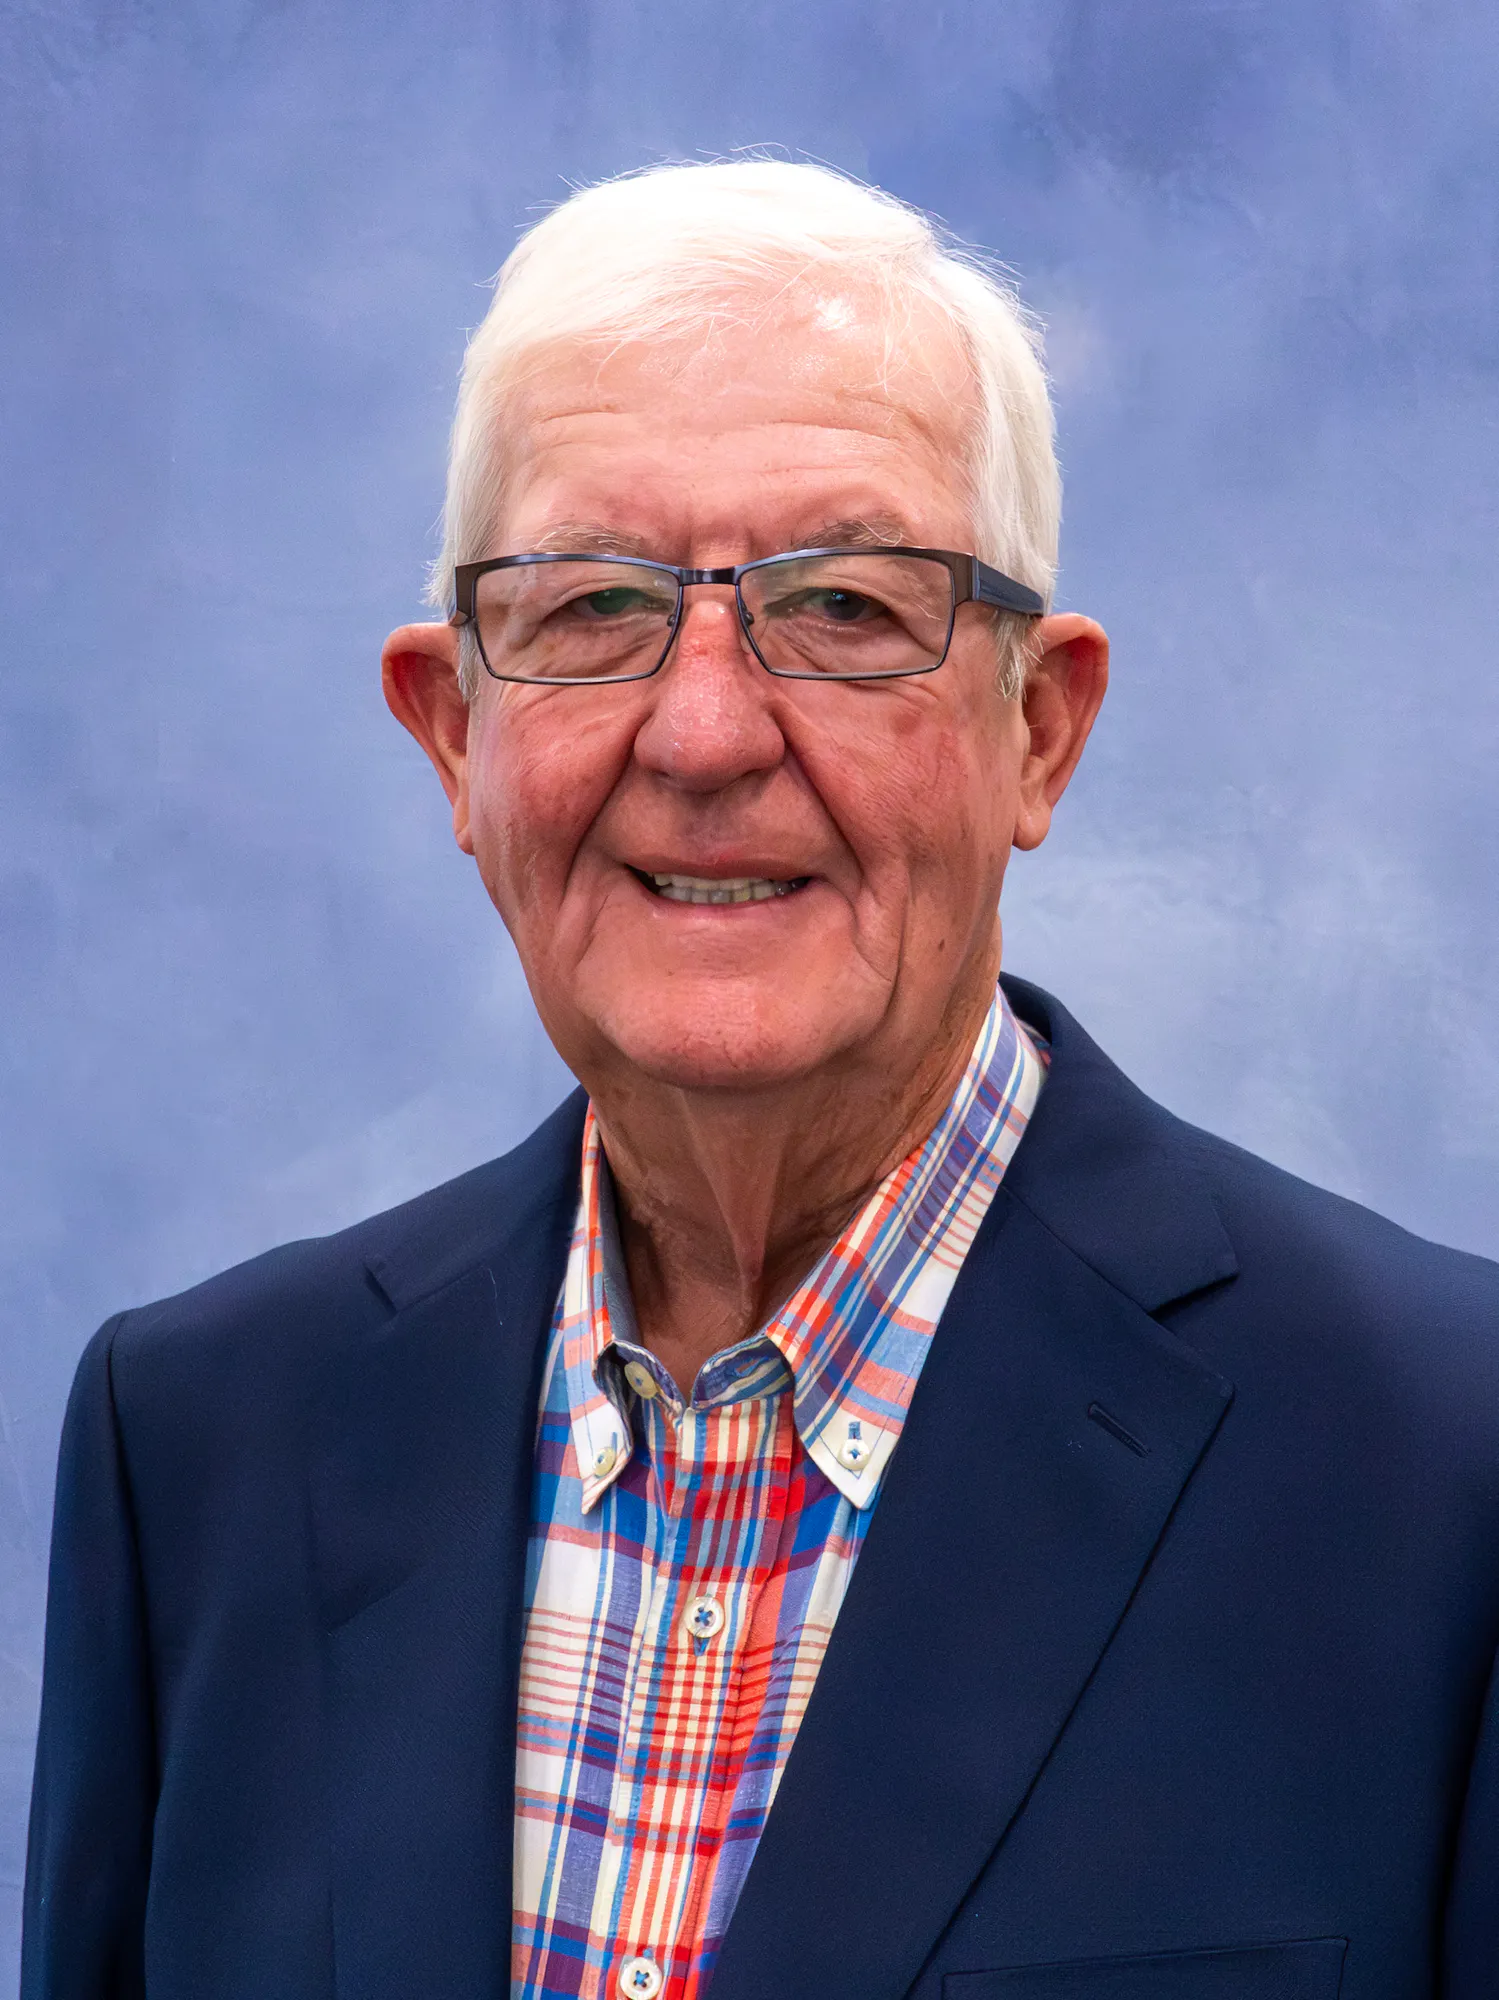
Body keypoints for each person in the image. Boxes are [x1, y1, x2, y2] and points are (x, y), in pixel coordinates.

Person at [21, 160, 1499, 2000]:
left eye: (846, 608)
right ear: (451, 733)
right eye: (587, 610)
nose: (706, 733)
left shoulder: (1449, 1477)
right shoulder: (200, 1447)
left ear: (1036, 729)